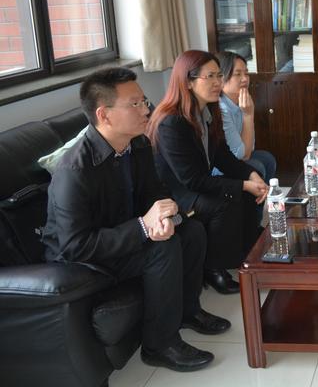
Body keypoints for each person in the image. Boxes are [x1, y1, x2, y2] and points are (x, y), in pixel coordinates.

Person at [42, 68, 230, 372]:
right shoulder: (74, 171)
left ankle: (188, 311)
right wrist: (144, 226)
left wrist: (165, 217)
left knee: (191, 231)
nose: (146, 110)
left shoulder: (137, 144)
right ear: (104, 115)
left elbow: (155, 193)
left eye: (144, 101)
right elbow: (75, 245)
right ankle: (159, 345)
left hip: (121, 234)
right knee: (162, 249)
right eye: (135, 104)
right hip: (85, 259)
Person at [147, 51, 268, 295]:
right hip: (175, 193)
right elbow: (191, 180)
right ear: (188, 82)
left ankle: (244, 253)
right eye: (209, 76)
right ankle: (214, 269)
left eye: (219, 76)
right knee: (224, 201)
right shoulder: (172, 122)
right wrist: (242, 185)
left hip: (196, 182)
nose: (217, 82)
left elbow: (223, 156)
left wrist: (251, 175)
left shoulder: (206, 112)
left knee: (246, 187)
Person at [215, 51, 277, 188]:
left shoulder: (239, 102)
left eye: (246, 73)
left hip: (237, 158)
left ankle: (265, 198)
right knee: (256, 166)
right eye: (237, 74)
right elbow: (241, 155)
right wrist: (248, 115)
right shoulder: (222, 109)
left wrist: (247, 113)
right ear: (221, 78)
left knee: (267, 159)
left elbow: (250, 148)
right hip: (219, 168)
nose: (245, 79)